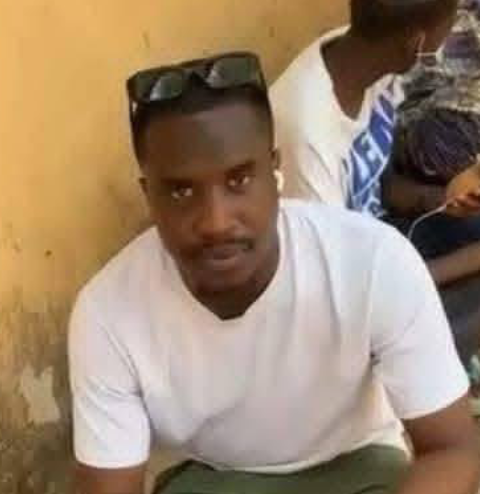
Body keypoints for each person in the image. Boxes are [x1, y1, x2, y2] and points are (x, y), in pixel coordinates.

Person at [69, 52, 480, 494]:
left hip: (357, 467)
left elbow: (452, 449)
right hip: (219, 481)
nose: (216, 222)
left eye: (239, 180)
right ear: (149, 196)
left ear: (275, 170)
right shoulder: (107, 313)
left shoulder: (372, 261)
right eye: (181, 191)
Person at [270, 0, 480, 366]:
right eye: (447, 31)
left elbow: (377, 182)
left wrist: (439, 200)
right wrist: (438, 272)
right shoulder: (307, 135)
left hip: (378, 241)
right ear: (417, 44)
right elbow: (336, 289)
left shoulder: (368, 58)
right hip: (344, 294)